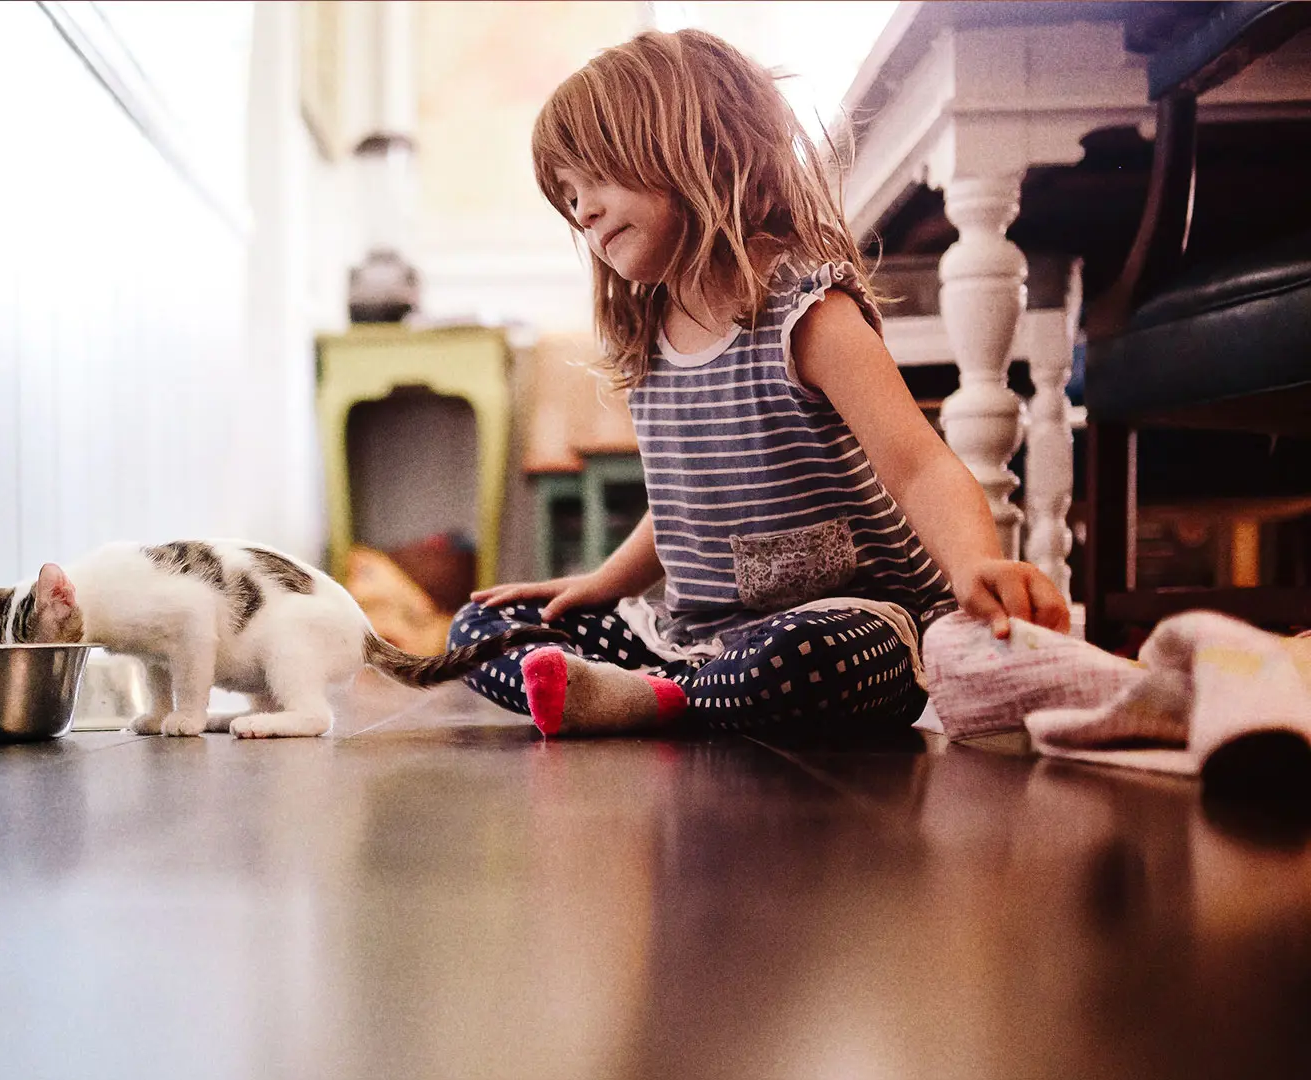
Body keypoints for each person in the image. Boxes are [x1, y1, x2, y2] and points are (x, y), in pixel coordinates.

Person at [452, 29, 1070, 737]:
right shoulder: (651, 339)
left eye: (597, 176)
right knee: (481, 625)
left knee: (801, 660)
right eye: (569, 196)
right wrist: (600, 585)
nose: (583, 211)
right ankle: (669, 692)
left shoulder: (809, 316)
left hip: (857, 626)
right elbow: (685, 504)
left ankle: (655, 698)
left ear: (701, 146)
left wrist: (976, 563)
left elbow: (920, 465)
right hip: (698, 640)